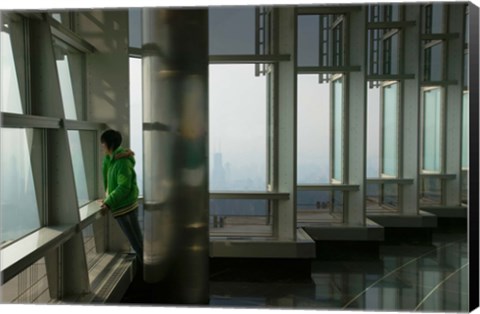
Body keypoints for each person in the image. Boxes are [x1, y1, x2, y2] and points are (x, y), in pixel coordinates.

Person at [100, 129, 143, 264]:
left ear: (110, 144)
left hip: (126, 208)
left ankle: (150, 276)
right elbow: (106, 166)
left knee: (138, 244)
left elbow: (124, 187)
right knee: (137, 243)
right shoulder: (116, 160)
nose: (102, 146)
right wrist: (114, 154)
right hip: (123, 207)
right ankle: (149, 273)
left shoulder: (122, 163)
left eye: (103, 143)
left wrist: (108, 202)